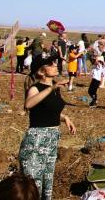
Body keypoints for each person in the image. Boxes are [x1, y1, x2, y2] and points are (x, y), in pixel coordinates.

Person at [20, 52, 76, 200]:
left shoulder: (55, 88)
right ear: (41, 70)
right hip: (37, 140)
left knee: (47, 180)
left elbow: (47, 112)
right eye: (50, 64)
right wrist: (52, 88)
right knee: (33, 181)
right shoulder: (36, 88)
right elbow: (28, 104)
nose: (55, 65)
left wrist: (65, 118)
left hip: (52, 138)